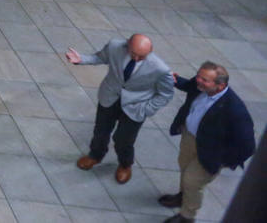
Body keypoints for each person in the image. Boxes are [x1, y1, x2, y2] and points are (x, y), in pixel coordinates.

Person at [64, 34, 175, 184]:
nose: (136, 59)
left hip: (136, 106)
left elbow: (166, 94)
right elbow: (100, 57)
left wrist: (146, 109)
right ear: (127, 45)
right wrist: (82, 59)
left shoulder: (160, 69)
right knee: (100, 130)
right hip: (110, 97)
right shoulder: (115, 46)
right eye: (133, 54)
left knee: (124, 140)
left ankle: (125, 164)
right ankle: (95, 155)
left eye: (141, 56)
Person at [159, 61, 256, 222]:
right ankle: (183, 197)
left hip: (212, 152)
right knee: (184, 168)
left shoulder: (234, 110)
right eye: (199, 76)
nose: (198, 81)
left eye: (204, 80)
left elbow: (247, 146)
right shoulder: (201, 86)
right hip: (190, 138)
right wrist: (176, 81)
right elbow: (190, 85)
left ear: (220, 85)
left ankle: (187, 216)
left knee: (192, 181)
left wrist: (223, 161)